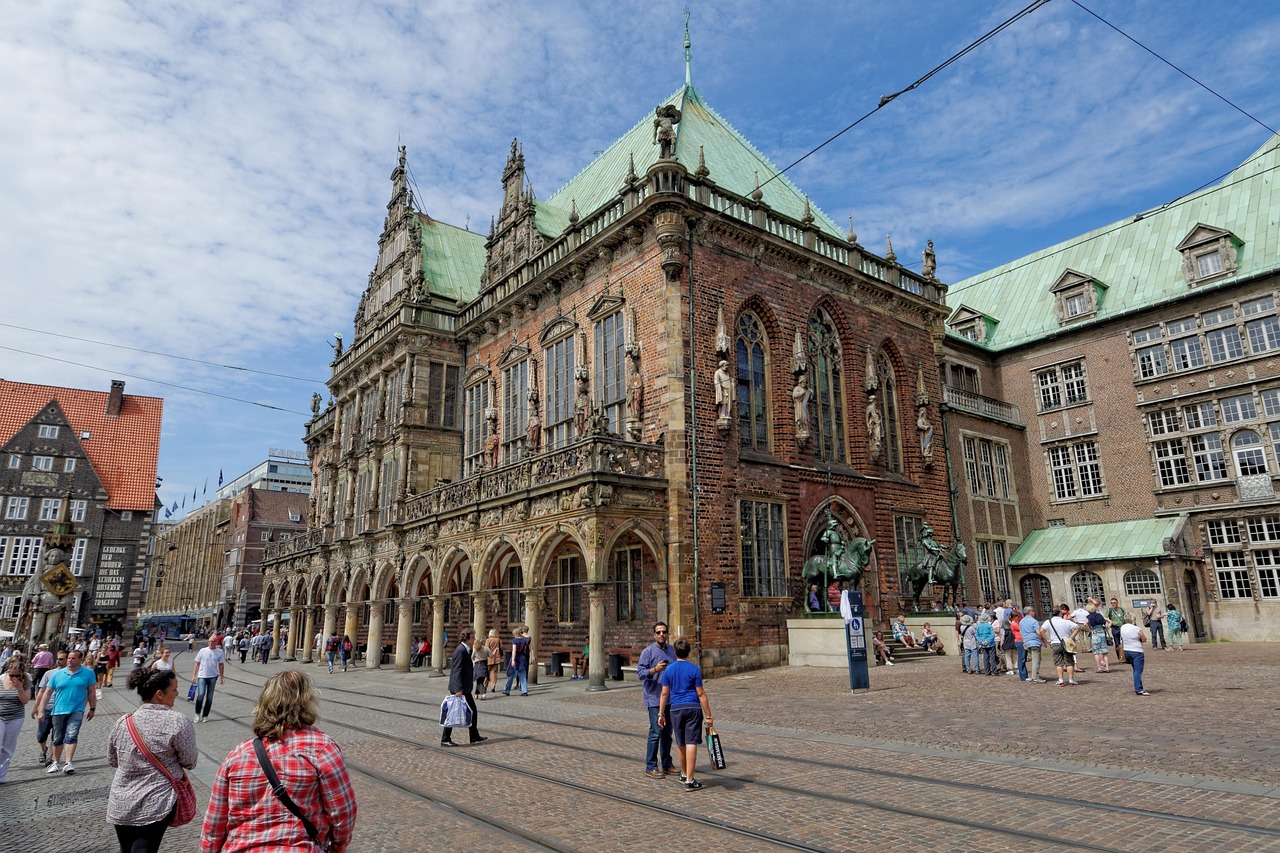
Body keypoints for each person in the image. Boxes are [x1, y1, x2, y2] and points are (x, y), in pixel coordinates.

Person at [201, 670, 357, 852]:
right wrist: (338, 846)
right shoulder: (322, 749)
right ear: (307, 702)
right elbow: (342, 812)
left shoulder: (237, 755)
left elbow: (214, 823)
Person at [107, 667, 197, 853]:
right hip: (156, 801)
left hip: (122, 801)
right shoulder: (177, 721)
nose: (177, 693)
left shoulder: (124, 721)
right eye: (174, 689)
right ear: (159, 694)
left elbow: (113, 760)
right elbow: (190, 761)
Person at [657, 637, 713, 791]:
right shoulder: (694, 669)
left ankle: (684, 773)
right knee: (691, 742)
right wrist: (708, 715)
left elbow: (664, 694)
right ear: (689, 652)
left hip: (676, 709)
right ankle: (690, 779)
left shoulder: (669, 670)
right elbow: (701, 694)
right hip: (693, 708)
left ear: (675, 652)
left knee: (681, 743)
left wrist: (661, 714)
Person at [38, 648, 98, 774]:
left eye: (73, 658)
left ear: (80, 660)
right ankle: (55, 763)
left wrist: (92, 708)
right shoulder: (57, 675)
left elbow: (92, 692)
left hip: (77, 709)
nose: (70, 660)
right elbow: (47, 692)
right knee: (57, 737)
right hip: (58, 710)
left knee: (72, 735)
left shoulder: (88, 673)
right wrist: (41, 710)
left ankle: (68, 763)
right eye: (69, 658)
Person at [637, 621, 677, 779]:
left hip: (670, 699)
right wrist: (655, 670)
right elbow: (640, 673)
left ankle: (667, 764)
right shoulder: (647, 652)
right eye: (659, 632)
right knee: (655, 733)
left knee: (668, 734)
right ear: (654, 635)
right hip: (654, 698)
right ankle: (651, 766)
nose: (662, 635)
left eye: (664, 632)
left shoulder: (672, 650)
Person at [441, 629, 485, 747]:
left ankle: (474, 735)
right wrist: (458, 689)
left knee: (471, 710)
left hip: (464, 687)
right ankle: (445, 738)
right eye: (472, 638)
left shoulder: (465, 650)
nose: (474, 640)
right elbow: (457, 671)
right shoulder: (460, 651)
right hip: (459, 688)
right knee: (453, 712)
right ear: (467, 638)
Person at [0, 655, 32, 783]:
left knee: (7, 747)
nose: (14, 678)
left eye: (17, 676)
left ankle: (1, 776)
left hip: (15, 718)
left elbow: (25, 701)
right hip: (0, 716)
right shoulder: (1, 678)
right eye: (11, 675)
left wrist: (19, 688)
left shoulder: (27, 679)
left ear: (22, 674)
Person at [33, 649, 68, 765]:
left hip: (61, 709)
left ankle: (50, 757)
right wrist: (36, 707)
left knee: (57, 735)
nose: (58, 661)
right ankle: (44, 750)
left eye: (61, 659)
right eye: (57, 659)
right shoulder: (49, 674)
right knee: (41, 735)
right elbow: (41, 691)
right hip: (47, 707)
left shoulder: (71, 675)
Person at [1039, 604, 1081, 687]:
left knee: (1058, 663)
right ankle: (1071, 679)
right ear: (1060, 613)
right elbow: (1077, 627)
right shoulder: (1066, 621)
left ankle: (1061, 680)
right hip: (1066, 642)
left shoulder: (1048, 622)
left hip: (1055, 643)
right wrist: (1071, 637)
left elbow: (1041, 631)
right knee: (1069, 662)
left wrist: (1047, 640)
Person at [191, 636, 226, 723]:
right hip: (202, 675)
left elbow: (221, 665)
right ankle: (197, 714)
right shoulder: (202, 650)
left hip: (213, 676)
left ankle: (205, 715)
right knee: (201, 694)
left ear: (216, 642)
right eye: (209, 641)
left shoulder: (220, 652)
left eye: (212, 641)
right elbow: (197, 663)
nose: (210, 643)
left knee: (209, 697)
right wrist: (194, 675)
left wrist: (222, 676)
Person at [1120, 613, 1150, 695]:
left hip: (1127, 650)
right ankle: (1139, 689)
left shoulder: (1122, 627)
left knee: (1135, 670)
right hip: (1136, 650)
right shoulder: (1136, 628)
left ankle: (1137, 686)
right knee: (1138, 671)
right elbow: (1144, 638)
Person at [502, 626, 530, 696]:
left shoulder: (514, 641)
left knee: (511, 675)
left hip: (516, 658)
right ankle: (524, 691)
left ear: (514, 634)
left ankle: (506, 690)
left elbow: (514, 650)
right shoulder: (524, 640)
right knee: (523, 675)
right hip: (522, 658)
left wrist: (513, 660)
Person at [1085, 603, 1112, 673]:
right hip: (1102, 634)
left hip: (1095, 634)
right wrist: (1106, 629)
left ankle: (1099, 668)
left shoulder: (1089, 616)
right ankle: (1107, 668)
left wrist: (1090, 630)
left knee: (1096, 652)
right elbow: (1110, 622)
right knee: (1104, 652)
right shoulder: (1100, 615)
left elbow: (1085, 624)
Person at [1020, 607, 1044, 682]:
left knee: (1035, 658)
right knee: (1036, 660)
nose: (1034, 612)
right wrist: (1042, 640)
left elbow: (1021, 633)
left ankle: (1034, 675)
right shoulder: (1034, 621)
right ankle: (1035, 677)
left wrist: (1024, 642)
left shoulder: (1022, 621)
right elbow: (1038, 632)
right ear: (1029, 612)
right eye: (1033, 611)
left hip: (1027, 641)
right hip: (1034, 642)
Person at [1103, 597, 1127, 663]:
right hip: (1115, 628)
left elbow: (1125, 617)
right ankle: (1120, 657)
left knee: (1124, 642)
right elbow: (1104, 618)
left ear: (1117, 603)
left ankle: (1125, 657)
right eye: (1112, 603)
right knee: (1117, 643)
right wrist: (1110, 622)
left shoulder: (1121, 610)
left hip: (1122, 627)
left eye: (1114, 603)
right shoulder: (1110, 610)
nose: (1113, 604)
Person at [472, 632, 491, 700]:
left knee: (479, 680)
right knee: (480, 680)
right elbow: (491, 655)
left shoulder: (475, 648)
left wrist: (474, 660)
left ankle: (477, 694)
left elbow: (472, 656)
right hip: (484, 664)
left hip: (477, 665)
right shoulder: (486, 648)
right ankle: (483, 693)